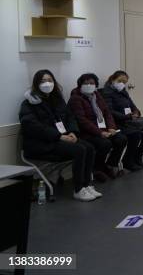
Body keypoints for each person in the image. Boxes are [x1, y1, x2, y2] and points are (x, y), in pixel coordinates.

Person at [19, 70, 101, 202]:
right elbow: (33, 127)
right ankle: (78, 189)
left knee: (90, 147)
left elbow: (70, 117)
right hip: (41, 144)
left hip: (61, 139)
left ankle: (87, 185)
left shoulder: (57, 99)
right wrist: (59, 136)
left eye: (50, 80)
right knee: (80, 150)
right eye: (43, 81)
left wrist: (73, 132)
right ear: (36, 84)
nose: (47, 84)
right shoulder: (28, 103)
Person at [68, 73, 127, 181]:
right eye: (86, 83)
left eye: (92, 83)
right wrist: (99, 132)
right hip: (86, 132)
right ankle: (96, 169)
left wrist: (111, 127)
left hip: (103, 129)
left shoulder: (97, 95)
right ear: (80, 85)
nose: (89, 85)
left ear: (96, 85)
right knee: (105, 143)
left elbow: (107, 113)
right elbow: (82, 120)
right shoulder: (75, 99)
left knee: (121, 139)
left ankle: (109, 165)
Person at [100, 70, 143, 170]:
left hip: (129, 121)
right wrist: (128, 117)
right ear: (113, 79)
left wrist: (136, 112)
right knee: (135, 134)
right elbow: (110, 111)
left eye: (124, 82)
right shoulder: (106, 92)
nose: (122, 84)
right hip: (118, 123)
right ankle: (127, 161)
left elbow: (132, 104)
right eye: (120, 81)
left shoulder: (123, 91)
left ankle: (137, 155)